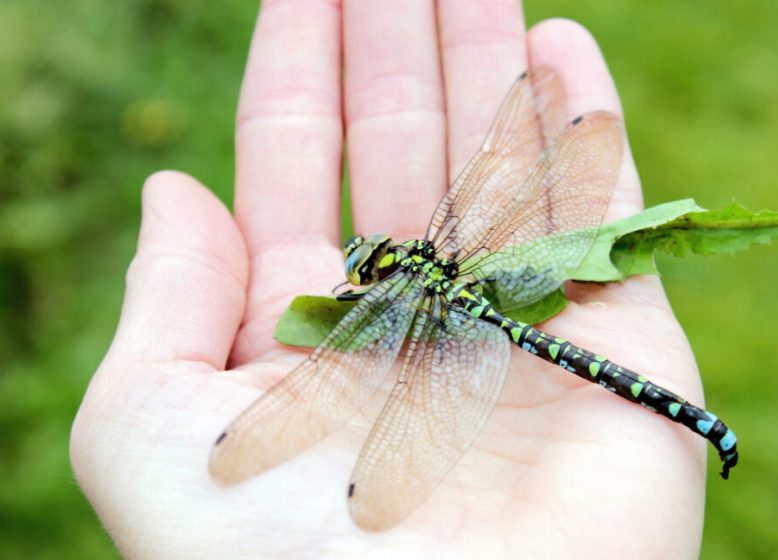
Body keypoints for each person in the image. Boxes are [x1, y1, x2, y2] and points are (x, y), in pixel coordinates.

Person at [71, 1, 707, 557]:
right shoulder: (442, 254)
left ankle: (690, 420)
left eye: (366, 261)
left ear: (376, 272)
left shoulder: (400, 302)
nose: (365, 262)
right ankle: (692, 420)